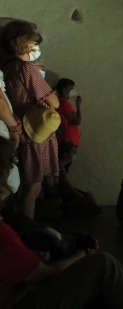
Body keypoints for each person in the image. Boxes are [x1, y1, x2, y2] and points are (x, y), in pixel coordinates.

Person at [0, 136, 123, 309]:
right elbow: (46, 273)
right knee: (104, 266)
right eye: (10, 163)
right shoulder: (3, 234)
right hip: (19, 299)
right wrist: (83, 254)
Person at [0, 21, 60, 219]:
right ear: (25, 43)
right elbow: (53, 101)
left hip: (18, 129)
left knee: (20, 186)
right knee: (32, 188)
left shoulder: (7, 67)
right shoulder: (26, 68)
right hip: (34, 132)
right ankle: (28, 230)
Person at [55, 78, 81, 175]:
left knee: (61, 169)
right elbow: (76, 121)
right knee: (61, 171)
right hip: (68, 143)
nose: (73, 92)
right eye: (71, 89)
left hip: (67, 142)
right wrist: (78, 105)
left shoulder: (58, 102)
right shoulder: (64, 104)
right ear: (64, 89)